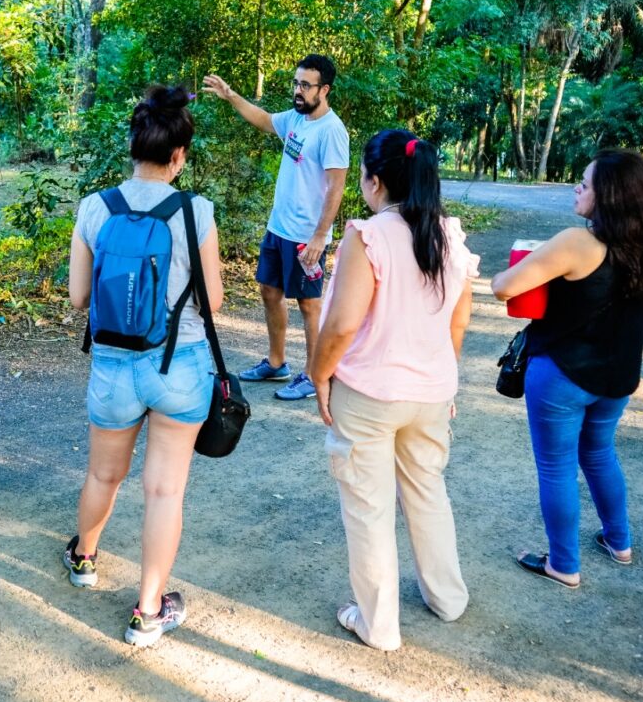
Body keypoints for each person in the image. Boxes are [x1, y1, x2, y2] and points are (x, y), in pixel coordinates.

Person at [65, 86, 224, 647]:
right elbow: (215, 302)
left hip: (112, 365)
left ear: (131, 147)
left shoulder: (94, 206)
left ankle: (84, 558)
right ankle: (148, 614)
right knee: (164, 493)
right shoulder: (195, 211)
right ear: (179, 155)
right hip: (179, 365)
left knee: (103, 474)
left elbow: (79, 297)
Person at [308, 129, 477, 651]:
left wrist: (318, 374)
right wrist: (442, 380)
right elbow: (458, 324)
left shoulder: (369, 235)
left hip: (370, 394)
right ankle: (447, 597)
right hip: (431, 393)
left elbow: (338, 327)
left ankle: (378, 624)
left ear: (375, 181)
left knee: (368, 506)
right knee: (428, 494)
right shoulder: (451, 236)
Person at [491, 150, 643, 589]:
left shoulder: (577, 242)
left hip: (562, 374)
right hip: (618, 377)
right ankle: (619, 542)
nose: (578, 188)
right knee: (600, 454)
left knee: (556, 467)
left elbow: (504, 288)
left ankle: (563, 564)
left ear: (609, 196)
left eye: (586, 183)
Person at [203, 55, 349, 401]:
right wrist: (231, 96)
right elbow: (266, 121)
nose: (298, 91)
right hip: (279, 227)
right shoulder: (296, 119)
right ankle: (276, 361)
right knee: (269, 291)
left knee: (309, 305)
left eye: (306, 85)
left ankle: (315, 376)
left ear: (324, 89)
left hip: (305, 237)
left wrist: (318, 236)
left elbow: (336, 187)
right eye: (296, 83)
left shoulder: (332, 131)